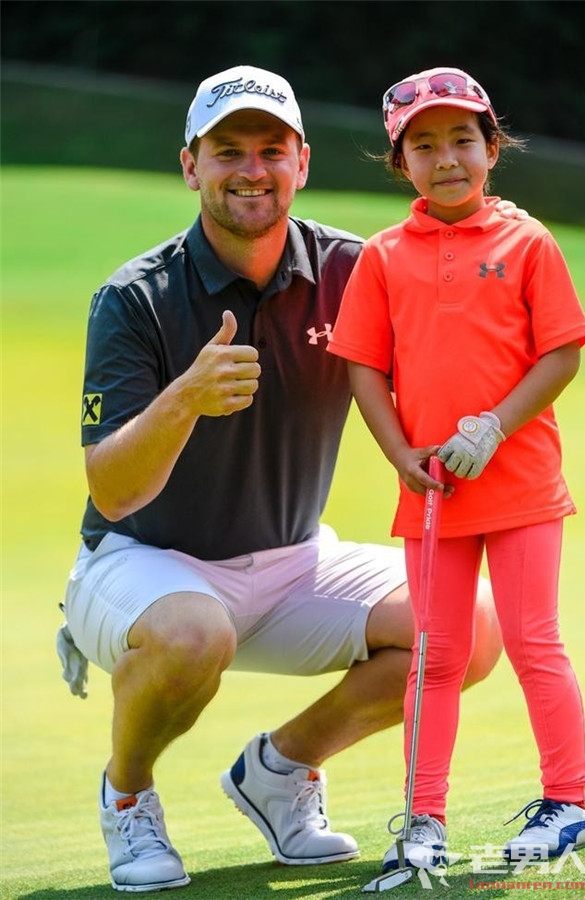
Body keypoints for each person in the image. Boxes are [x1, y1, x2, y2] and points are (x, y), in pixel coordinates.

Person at [58, 65, 526, 894]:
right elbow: (110, 493)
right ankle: (127, 793)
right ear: (190, 165)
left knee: (464, 624)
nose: (251, 169)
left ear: (301, 163)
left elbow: (458, 283)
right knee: (195, 634)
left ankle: (279, 771)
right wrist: (185, 401)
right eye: (226, 150)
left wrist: (495, 223)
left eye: (270, 149)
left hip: (292, 559)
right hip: (142, 563)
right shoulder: (134, 298)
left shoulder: (354, 269)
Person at [327, 66, 585, 876]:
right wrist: (399, 455)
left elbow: (560, 352)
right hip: (434, 492)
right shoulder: (381, 257)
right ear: (399, 162)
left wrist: (493, 426)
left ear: (491, 147)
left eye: (462, 140)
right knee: (436, 657)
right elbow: (363, 369)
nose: (446, 158)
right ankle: (425, 820)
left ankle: (571, 801)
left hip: (519, 486)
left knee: (532, 641)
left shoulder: (527, 240)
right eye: (424, 145)